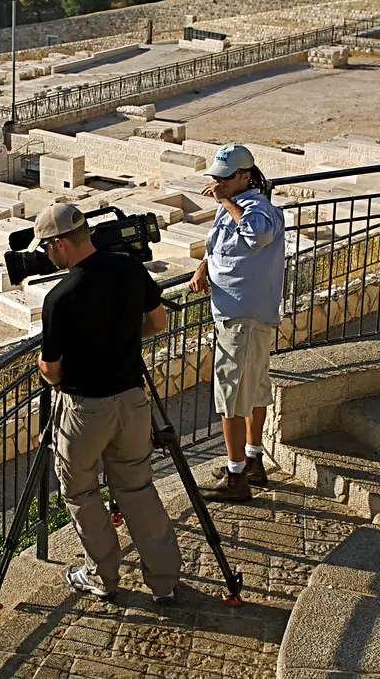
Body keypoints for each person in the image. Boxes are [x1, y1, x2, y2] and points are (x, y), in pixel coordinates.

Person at [35, 203, 182, 602]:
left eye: (47, 247)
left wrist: (46, 368)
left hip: (86, 409)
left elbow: (51, 370)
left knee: (80, 492)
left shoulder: (60, 298)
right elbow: (157, 323)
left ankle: (102, 576)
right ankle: (165, 582)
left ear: (62, 244)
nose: (46, 255)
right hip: (133, 399)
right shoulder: (129, 268)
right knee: (137, 487)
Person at [188, 144, 285, 503]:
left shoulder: (260, 210)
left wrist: (227, 202)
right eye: (215, 177)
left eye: (225, 178)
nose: (217, 183)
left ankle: (235, 476)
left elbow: (255, 235)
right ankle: (253, 460)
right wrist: (202, 268)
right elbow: (219, 247)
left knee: (231, 395)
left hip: (243, 318)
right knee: (255, 388)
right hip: (239, 316)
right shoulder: (232, 208)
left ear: (245, 177)